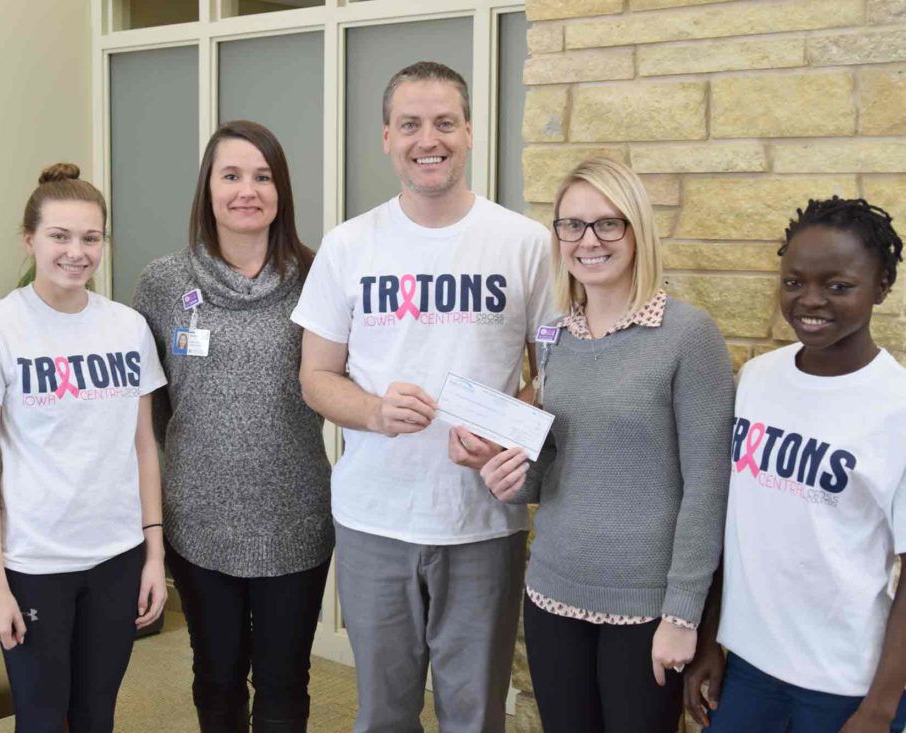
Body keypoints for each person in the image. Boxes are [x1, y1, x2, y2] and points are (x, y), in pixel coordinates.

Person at [294, 61, 553, 731]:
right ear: (387, 137)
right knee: (383, 713)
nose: (427, 139)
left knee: (475, 714)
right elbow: (315, 376)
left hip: (484, 521)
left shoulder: (525, 244)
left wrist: (508, 430)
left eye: (444, 123)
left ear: (469, 132)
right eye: (410, 124)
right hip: (374, 517)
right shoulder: (348, 245)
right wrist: (375, 412)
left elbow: (555, 373)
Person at [478, 157, 734, 733]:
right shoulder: (556, 336)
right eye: (572, 225)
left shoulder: (688, 335)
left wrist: (684, 615)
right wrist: (508, 474)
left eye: (607, 224)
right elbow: (556, 466)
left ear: (636, 229)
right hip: (552, 591)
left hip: (645, 608)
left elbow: (708, 487)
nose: (587, 241)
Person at [0, 163, 167, 733]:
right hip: (34, 564)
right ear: (30, 240)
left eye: (90, 238)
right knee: (42, 719)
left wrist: (154, 554)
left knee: (97, 715)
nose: (76, 252)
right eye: (59, 236)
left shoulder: (128, 327)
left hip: (117, 557)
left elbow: (143, 447)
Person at [133, 120, 332, 733]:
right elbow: (151, 405)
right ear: (208, 188)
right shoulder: (163, 283)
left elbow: (340, 380)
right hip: (199, 518)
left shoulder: (319, 277)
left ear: (281, 191)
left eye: (263, 176)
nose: (248, 190)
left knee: (284, 681)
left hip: (295, 515)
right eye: (232, 175)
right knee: (216, 676)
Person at [683, 197, 906, 733]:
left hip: (846, 685)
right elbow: (732, 522)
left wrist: (879, 708)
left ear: (881, 287)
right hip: (748, 668)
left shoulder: (896, 407)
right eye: (793, 282)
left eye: (838, 286)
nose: (810, 300)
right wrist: (710, 639)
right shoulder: (757, 379)